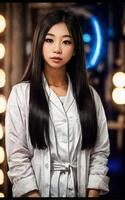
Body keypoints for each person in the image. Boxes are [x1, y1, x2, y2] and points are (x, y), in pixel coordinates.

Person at [5, 8, 110, 197]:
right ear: (39, 44)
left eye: (66, 41)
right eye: (49, 40)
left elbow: (99, 152)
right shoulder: (21, 94)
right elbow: (17, 157)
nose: (57, 49)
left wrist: (92, 193)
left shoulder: (90, 96)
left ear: (76, 47)